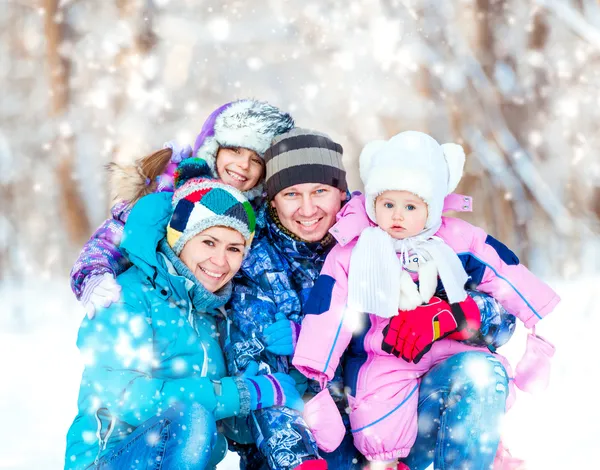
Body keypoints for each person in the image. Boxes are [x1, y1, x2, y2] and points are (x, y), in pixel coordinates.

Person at [224, 128, 519, 470]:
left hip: (401, 423)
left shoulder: (397, 223)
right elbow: (261, 382)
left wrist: (453, 315)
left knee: (479, 370)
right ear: (273, 200)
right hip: (314, 443)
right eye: (291, 194)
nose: (307, 208)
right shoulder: (256, 265)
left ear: (342, 192)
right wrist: (301, 462)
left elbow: (504, 320)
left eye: (320, 191)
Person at [292, 131, 560, 469]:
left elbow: (504, 273)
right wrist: (317, 373)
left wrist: (531, 319)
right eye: (388, 205)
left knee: (481, 373)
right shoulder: (356, 249)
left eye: (410, 206)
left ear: (431, 207)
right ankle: (388, 461)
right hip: (387, 358)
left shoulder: (456, 240)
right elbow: (328, 309)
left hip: (450, 359)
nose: (397, 216)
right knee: (379, 419)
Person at [64, 162, 304, 470]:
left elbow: (232, 427)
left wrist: (281, 383)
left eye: (234, 248)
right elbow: (124, 396)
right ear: (180, 240)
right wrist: (241, 392)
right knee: (191, 416)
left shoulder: (216, 315)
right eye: (208, 242)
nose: (220, 260)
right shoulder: (128, 295)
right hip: (109, 461)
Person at [70, 98, 294, 319]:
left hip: (207, 329)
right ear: (213, 148)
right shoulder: (171, 194)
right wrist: (93, 273)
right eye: (235, 150)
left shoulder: (256, 218)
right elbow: (116, 237)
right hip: (155, 313)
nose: (243, 165)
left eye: (256, 160)